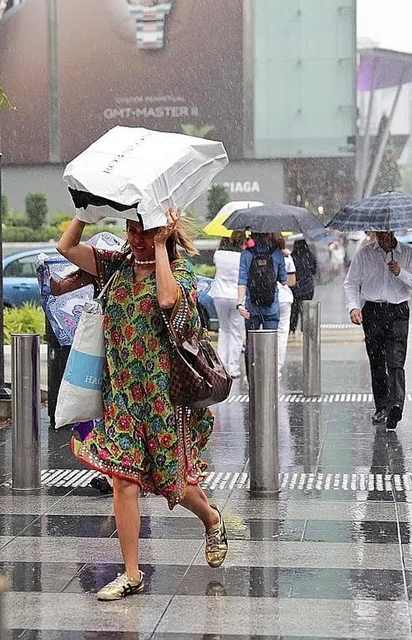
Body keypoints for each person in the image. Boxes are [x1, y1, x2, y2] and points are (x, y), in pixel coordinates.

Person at [56, 207, 228, 601]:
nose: (134, 239)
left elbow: (168, 300)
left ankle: (211, 517)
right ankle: (132, 574)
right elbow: (66, 246)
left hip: (162, 400)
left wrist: (164, 246)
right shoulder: (115, 266)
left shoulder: (180, 274)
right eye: (130, 230)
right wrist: (84, 212)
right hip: (120, 396)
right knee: (123, 481)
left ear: (161, 235)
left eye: (143, 233)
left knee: (172, 484)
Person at [344, 231, 412, 431]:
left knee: (396, 359)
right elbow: (351, 282)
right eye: (379, 233)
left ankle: (396, 404)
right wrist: (354, 307)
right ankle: (381, 406)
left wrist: (400, 272)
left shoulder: (409, 253)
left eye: (386, 233)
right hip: (372, 310)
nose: (382, 237)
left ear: (393, 231)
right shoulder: (365, 254)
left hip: (398, 310)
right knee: (377, 361)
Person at [209, 230, 246, 377]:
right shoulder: (241, 256)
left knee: (224, 330)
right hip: (236, 296)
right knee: (236, 332)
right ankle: (233, 367)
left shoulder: (218, 254)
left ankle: (221, 364)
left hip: (219, 295)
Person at [237, 232, 288, 330]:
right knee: (270, 342)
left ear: (252, 237)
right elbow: (284, 280)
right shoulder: (277, 254)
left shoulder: (246, 255)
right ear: (269, 236)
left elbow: (242, 280)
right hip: (272, 307)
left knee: (252, 343)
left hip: (251, 307)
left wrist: (239, 303)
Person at [274, 235, 297, 374]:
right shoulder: (287, 258)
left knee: (266, 332)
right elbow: (292, 282)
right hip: (284, 298)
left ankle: (263, 364)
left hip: (268, 298)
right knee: (282, 333)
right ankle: (277, 366)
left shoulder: (260, 255)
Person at [289, 239, 318, 334]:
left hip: (295, 287)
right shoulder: (310, 256)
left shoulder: (292, 257)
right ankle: (305, 328)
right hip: (308, 287)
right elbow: (314, 271)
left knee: (294, 309)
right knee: (306, 309)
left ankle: (292, 328)